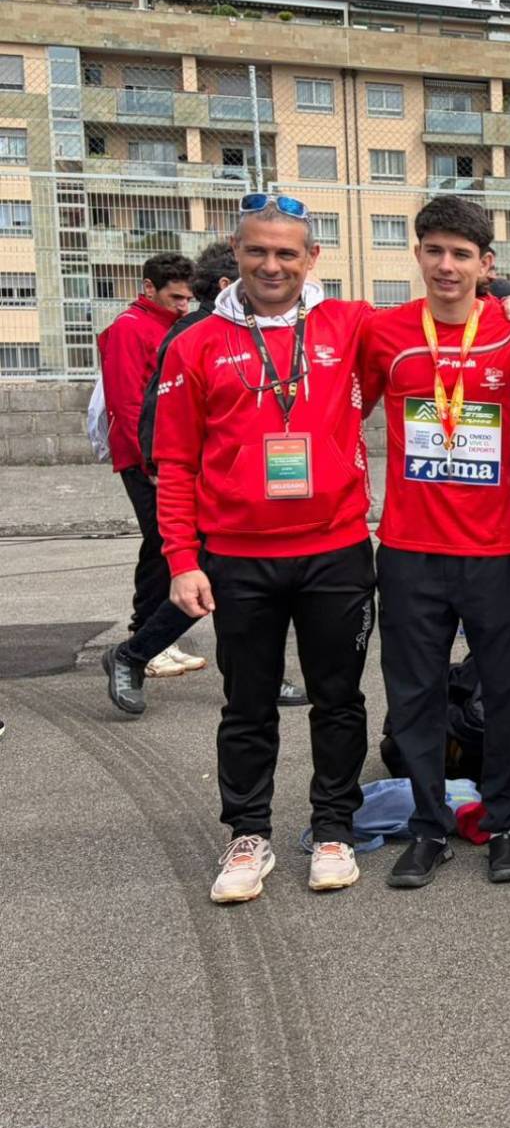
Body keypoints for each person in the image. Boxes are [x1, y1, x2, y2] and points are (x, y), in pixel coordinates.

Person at [154, 195, 381, 904]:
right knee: (246, 703)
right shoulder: (194, 342)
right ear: (236, 252)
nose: (272, 265)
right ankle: (248, 834)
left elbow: (434, 328)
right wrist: (181, 559)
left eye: (287, 252)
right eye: (258, 250)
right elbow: (175, 462)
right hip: (238, 556)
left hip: (336, 549)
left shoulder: (350, 324)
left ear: (312, 258)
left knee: (338, 699)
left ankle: (334, 827)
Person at [360, 196, 510, 891]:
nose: (446, 265)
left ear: (485, 264)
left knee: (509, 687)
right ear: (418, 255)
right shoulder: (385, 332)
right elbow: (344, 410)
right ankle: (429, 826)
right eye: (434, 250)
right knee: (414, 691)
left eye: (461, 254)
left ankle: (504, 823)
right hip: (410, 547)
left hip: (495, 547)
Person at [108, 243, 310, 715]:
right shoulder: (195, 332)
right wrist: (161, 473)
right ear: (229, 283)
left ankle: (251, 677)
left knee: (232, 584)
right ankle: (134, 654)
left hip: (248, 485)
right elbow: (152, 412)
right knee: (214, 579)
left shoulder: (258, 329)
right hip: (203, 485)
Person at [97, 252, 197, 707]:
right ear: (149, 288)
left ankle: (153, 636)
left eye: (187, 298)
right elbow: (127, 401)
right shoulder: (130, 328)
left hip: (164, 457)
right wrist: (152, 464)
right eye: (175, 297)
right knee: (161, 543)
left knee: (162, 543)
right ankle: (146, 639)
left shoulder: (171, 325)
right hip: (145, 460)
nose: (182, 305)